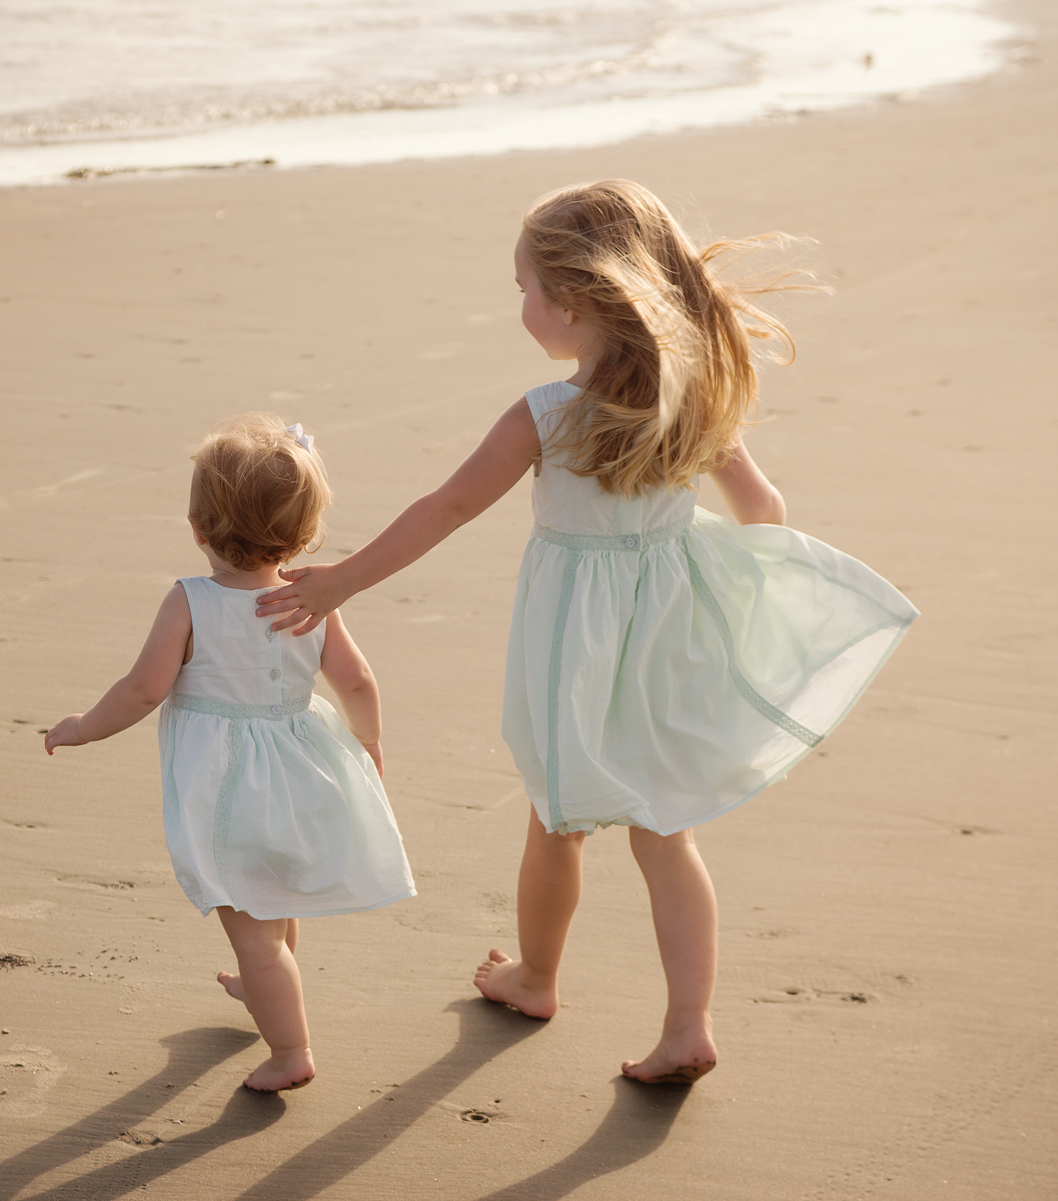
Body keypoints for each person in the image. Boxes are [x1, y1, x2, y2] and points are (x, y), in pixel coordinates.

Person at [256, 180, 917, 1083]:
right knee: (665, 830)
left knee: (555, 814)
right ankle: (689, 1023)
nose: (522, 306)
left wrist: (339, 582)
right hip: (672, 632)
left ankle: (535, 976)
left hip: (576, 646)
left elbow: (445, 508)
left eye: (523, 288)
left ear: (569, 303)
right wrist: (739, 601)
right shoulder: (690, 399)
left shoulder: (544, 416)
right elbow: (764, 509)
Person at [46, 415, 414, 1093]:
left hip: (228, 787)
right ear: (303, 532)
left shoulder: (191, 600)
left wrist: (85, 726)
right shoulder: (313, 597)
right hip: (303, 768)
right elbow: (357, 680)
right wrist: (368, 742)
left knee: (252, 925)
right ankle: (263, 984)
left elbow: (142, 688)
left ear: (200, 529)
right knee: (272, 900)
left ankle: (290, 1046)